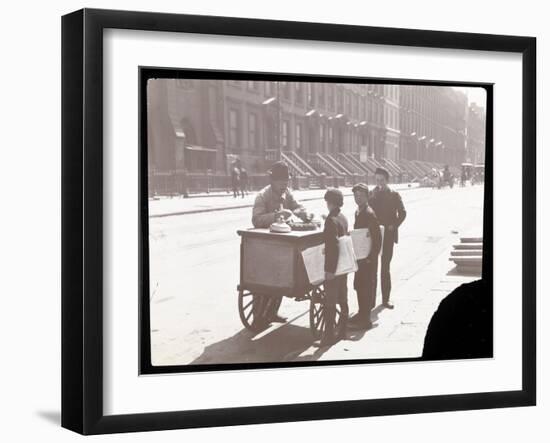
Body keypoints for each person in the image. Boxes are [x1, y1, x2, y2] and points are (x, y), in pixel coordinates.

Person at [251, 161, 308, 323]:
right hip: (265, 247)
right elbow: (256, 219)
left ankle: (272, 312)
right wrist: (276, 216)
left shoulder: (287, 193)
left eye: (286, 181)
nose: (285, 185)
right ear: (272, 181)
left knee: (283, 276)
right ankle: (258, 315)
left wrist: (303, 213)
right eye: (281, 182)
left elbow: (297, 206)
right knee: (264, 283)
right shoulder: (263, 196)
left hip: (283, 245)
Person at [314, 188, 349, 347]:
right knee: (343, 298)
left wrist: (329, 270)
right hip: (344, 266)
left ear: (330, 202)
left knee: (330, 301)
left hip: (334, 268)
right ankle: (342, 331)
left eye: (327, 201)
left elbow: (333, 246)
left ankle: (328, 337)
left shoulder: (330, 221)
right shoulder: (342, 217)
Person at [369, 167, 407, 309]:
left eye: (382, 180)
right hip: (374, 235)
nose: (380, 183)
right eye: (377, 180)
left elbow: (403, 213)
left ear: (387, 180)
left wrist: (394, 225)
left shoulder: (394, 195)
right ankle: (371, 300)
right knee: (372, 268)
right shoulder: (372, 194)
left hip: (388, 236)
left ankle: (385, 300)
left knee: (385, 268)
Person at [349, 183, 382, 330]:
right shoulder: (358, 211)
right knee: (359, 285)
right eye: (356, 196)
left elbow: (377, 238)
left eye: (361, 196)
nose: (358, 198)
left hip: (368, 258)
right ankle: (361, 313)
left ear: (367, 197)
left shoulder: (369, 213)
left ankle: (365, 319)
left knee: (366, 286)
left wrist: (371, 257)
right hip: (360, 256)